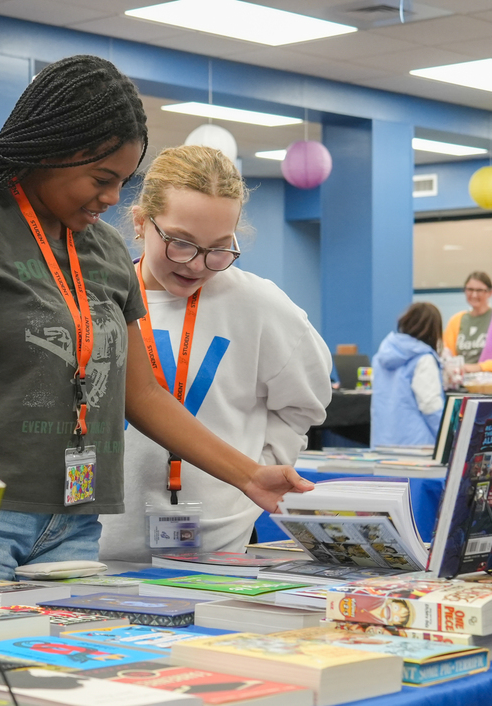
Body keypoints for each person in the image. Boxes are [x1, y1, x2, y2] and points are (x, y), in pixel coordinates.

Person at [0, 54, 314, 580]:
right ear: (52, 152)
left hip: (76, 522)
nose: (112, 198)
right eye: (102, 178)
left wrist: (249, 475)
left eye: (123, 181)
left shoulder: (107, 249)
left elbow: (144, 394)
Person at [97, 145, 332, 563]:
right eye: (181, 243)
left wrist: (251, 476)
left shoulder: (259, 305)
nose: (197, 265)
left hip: (219, 549)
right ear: (140, 222)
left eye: (219, 248)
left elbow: (304, 403)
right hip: (98, 545)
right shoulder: (99, 297)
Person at [371, 302, 445, 447]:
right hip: (417, 446)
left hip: (382, 443)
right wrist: (448, 437)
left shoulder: (381, 356)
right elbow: (430, 405)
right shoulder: (424, 359)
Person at [443, 271, 492, 379]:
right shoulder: (455, 321)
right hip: (459, 385)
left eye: (479, 290)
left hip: (491, 387)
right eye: (470, 289)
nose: (474, 295)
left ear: (490, 292)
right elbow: (446, 358)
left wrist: (479, 367)